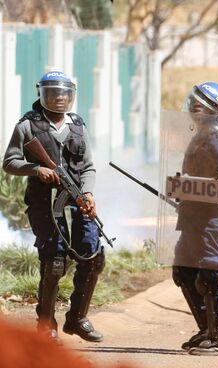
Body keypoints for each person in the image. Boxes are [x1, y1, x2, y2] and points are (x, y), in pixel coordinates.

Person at [2, 71, 104, 342]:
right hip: (43, 204)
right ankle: (46, 324)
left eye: (64, 93)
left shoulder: (78, 126)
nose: (59, 98)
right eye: (53, 93)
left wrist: (89, 193)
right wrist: (36, 170)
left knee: (93, 256)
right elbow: (9, 162)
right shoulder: (26, 126)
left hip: (77, 200)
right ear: (42, 94)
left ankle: (77, 318)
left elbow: (89, 167)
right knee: (54, 263)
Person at [171, 82, 218, 356]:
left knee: (211, 273)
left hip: (213, 219)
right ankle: (207, 329)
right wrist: (182, 187)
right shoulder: (200, 135)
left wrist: (196, 188)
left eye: (204, 103)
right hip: (192, 218)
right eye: (195, 101)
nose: (197, 107)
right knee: (184, 270)